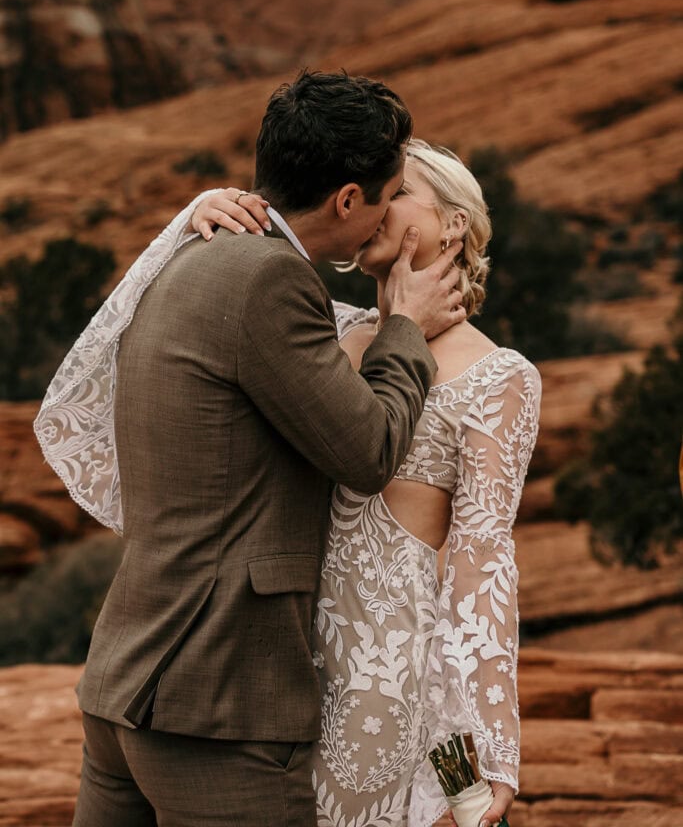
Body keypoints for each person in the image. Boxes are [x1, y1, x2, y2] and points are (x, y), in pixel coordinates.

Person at [34, 72, 466, 827]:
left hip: (124, 683)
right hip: (215, 703)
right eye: (389, 190)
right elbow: (367, 450)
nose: (392, 209)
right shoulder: (268, 277)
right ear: (346, 202)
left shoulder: (193, 252)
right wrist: (402, 325)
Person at [186, 141, 542, 827]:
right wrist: (206, 215)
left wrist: (480, 757)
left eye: (398, 191)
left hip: (392, 683)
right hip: (272, 663)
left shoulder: (501, 377)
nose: (374, 203)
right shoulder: (321, 332)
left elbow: (478, 572)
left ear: (455, 223)